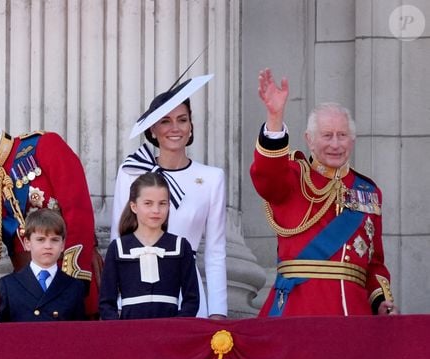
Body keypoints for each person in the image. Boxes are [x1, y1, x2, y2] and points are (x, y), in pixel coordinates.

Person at [250, 68, 399, 317]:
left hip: (354, 314)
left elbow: (374, 263)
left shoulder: (368, 191)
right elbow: (266, 174)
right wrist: (275, 117)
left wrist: (380, 301)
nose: (335, 144)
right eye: (327, 135)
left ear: (352, 140)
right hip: (298, 310)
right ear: (309, 140)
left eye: (342, 135)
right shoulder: (293, 177)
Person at [0, 106, 101, 319]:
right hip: (26, 288)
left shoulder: (43, 146)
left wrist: (71, 280)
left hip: (70, 278)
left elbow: (78, 212)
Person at [111, 75, 227, 319]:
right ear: (153, 129)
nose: (175, 128)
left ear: (191, 126)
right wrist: (117, 303)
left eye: (182, 120)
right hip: (136, 288)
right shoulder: (131, 172)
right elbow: (118, 239)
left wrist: (218, 311)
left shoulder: (211, 178)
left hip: (186, 288)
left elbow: (215, 250)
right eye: (165, 121)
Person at [100, 172, 199, 319]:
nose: (156, 211)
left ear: (169, 205)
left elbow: (191, 300)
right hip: (130, 334)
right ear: (134, 206)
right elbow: (106, 303)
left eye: (162, 203)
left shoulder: (180, 246)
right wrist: (119, 330)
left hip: (170, 333)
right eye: (148, 203)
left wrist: (178, 327)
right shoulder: (118, 248)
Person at [0, 208, 86, 322]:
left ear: (62, 245)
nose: (48, 246)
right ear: (27, 243)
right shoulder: (9, 284)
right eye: (41, 239)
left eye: (54, 240)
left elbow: (79, 334)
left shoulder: (74, 286)